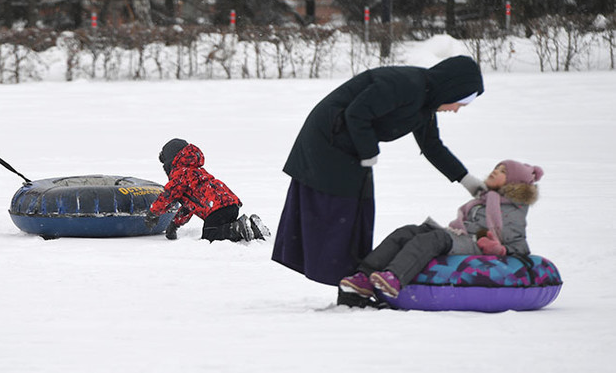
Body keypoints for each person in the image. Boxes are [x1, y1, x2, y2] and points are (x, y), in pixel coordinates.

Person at [272, 55, 486, 292]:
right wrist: (368, 151)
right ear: (451, 89)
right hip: (328, 140)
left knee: (358, 210)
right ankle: (349, 283)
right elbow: (357, 112)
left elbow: (431, 146)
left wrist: (468, 181)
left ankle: (353, 282)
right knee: (341, 209)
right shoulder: (407, 84)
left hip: (347, 144)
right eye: (460, 103)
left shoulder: (425, 103)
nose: (456, 110)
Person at [340, 159, 543, 300]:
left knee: (433, 239)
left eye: (503, 171)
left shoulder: (514, 208)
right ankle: (364, 277)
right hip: (463, 236)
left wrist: (497, 248)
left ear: (515, 183)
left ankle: (395, 278)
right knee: (408, 232)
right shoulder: (486, 199)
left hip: (476, 244)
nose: (495, 171)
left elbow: (516, 242)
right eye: (497, 167)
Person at [145, 138, 270, 242]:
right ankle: (252, 227)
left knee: (211, 235)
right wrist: (175, 224)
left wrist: (153, 213)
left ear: (171, 160)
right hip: (230, 204)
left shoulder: (180, 174)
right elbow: (189, 207)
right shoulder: (196, 171)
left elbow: (168, 196)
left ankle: (236, 228)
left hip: (215, 209)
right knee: (224, 228)